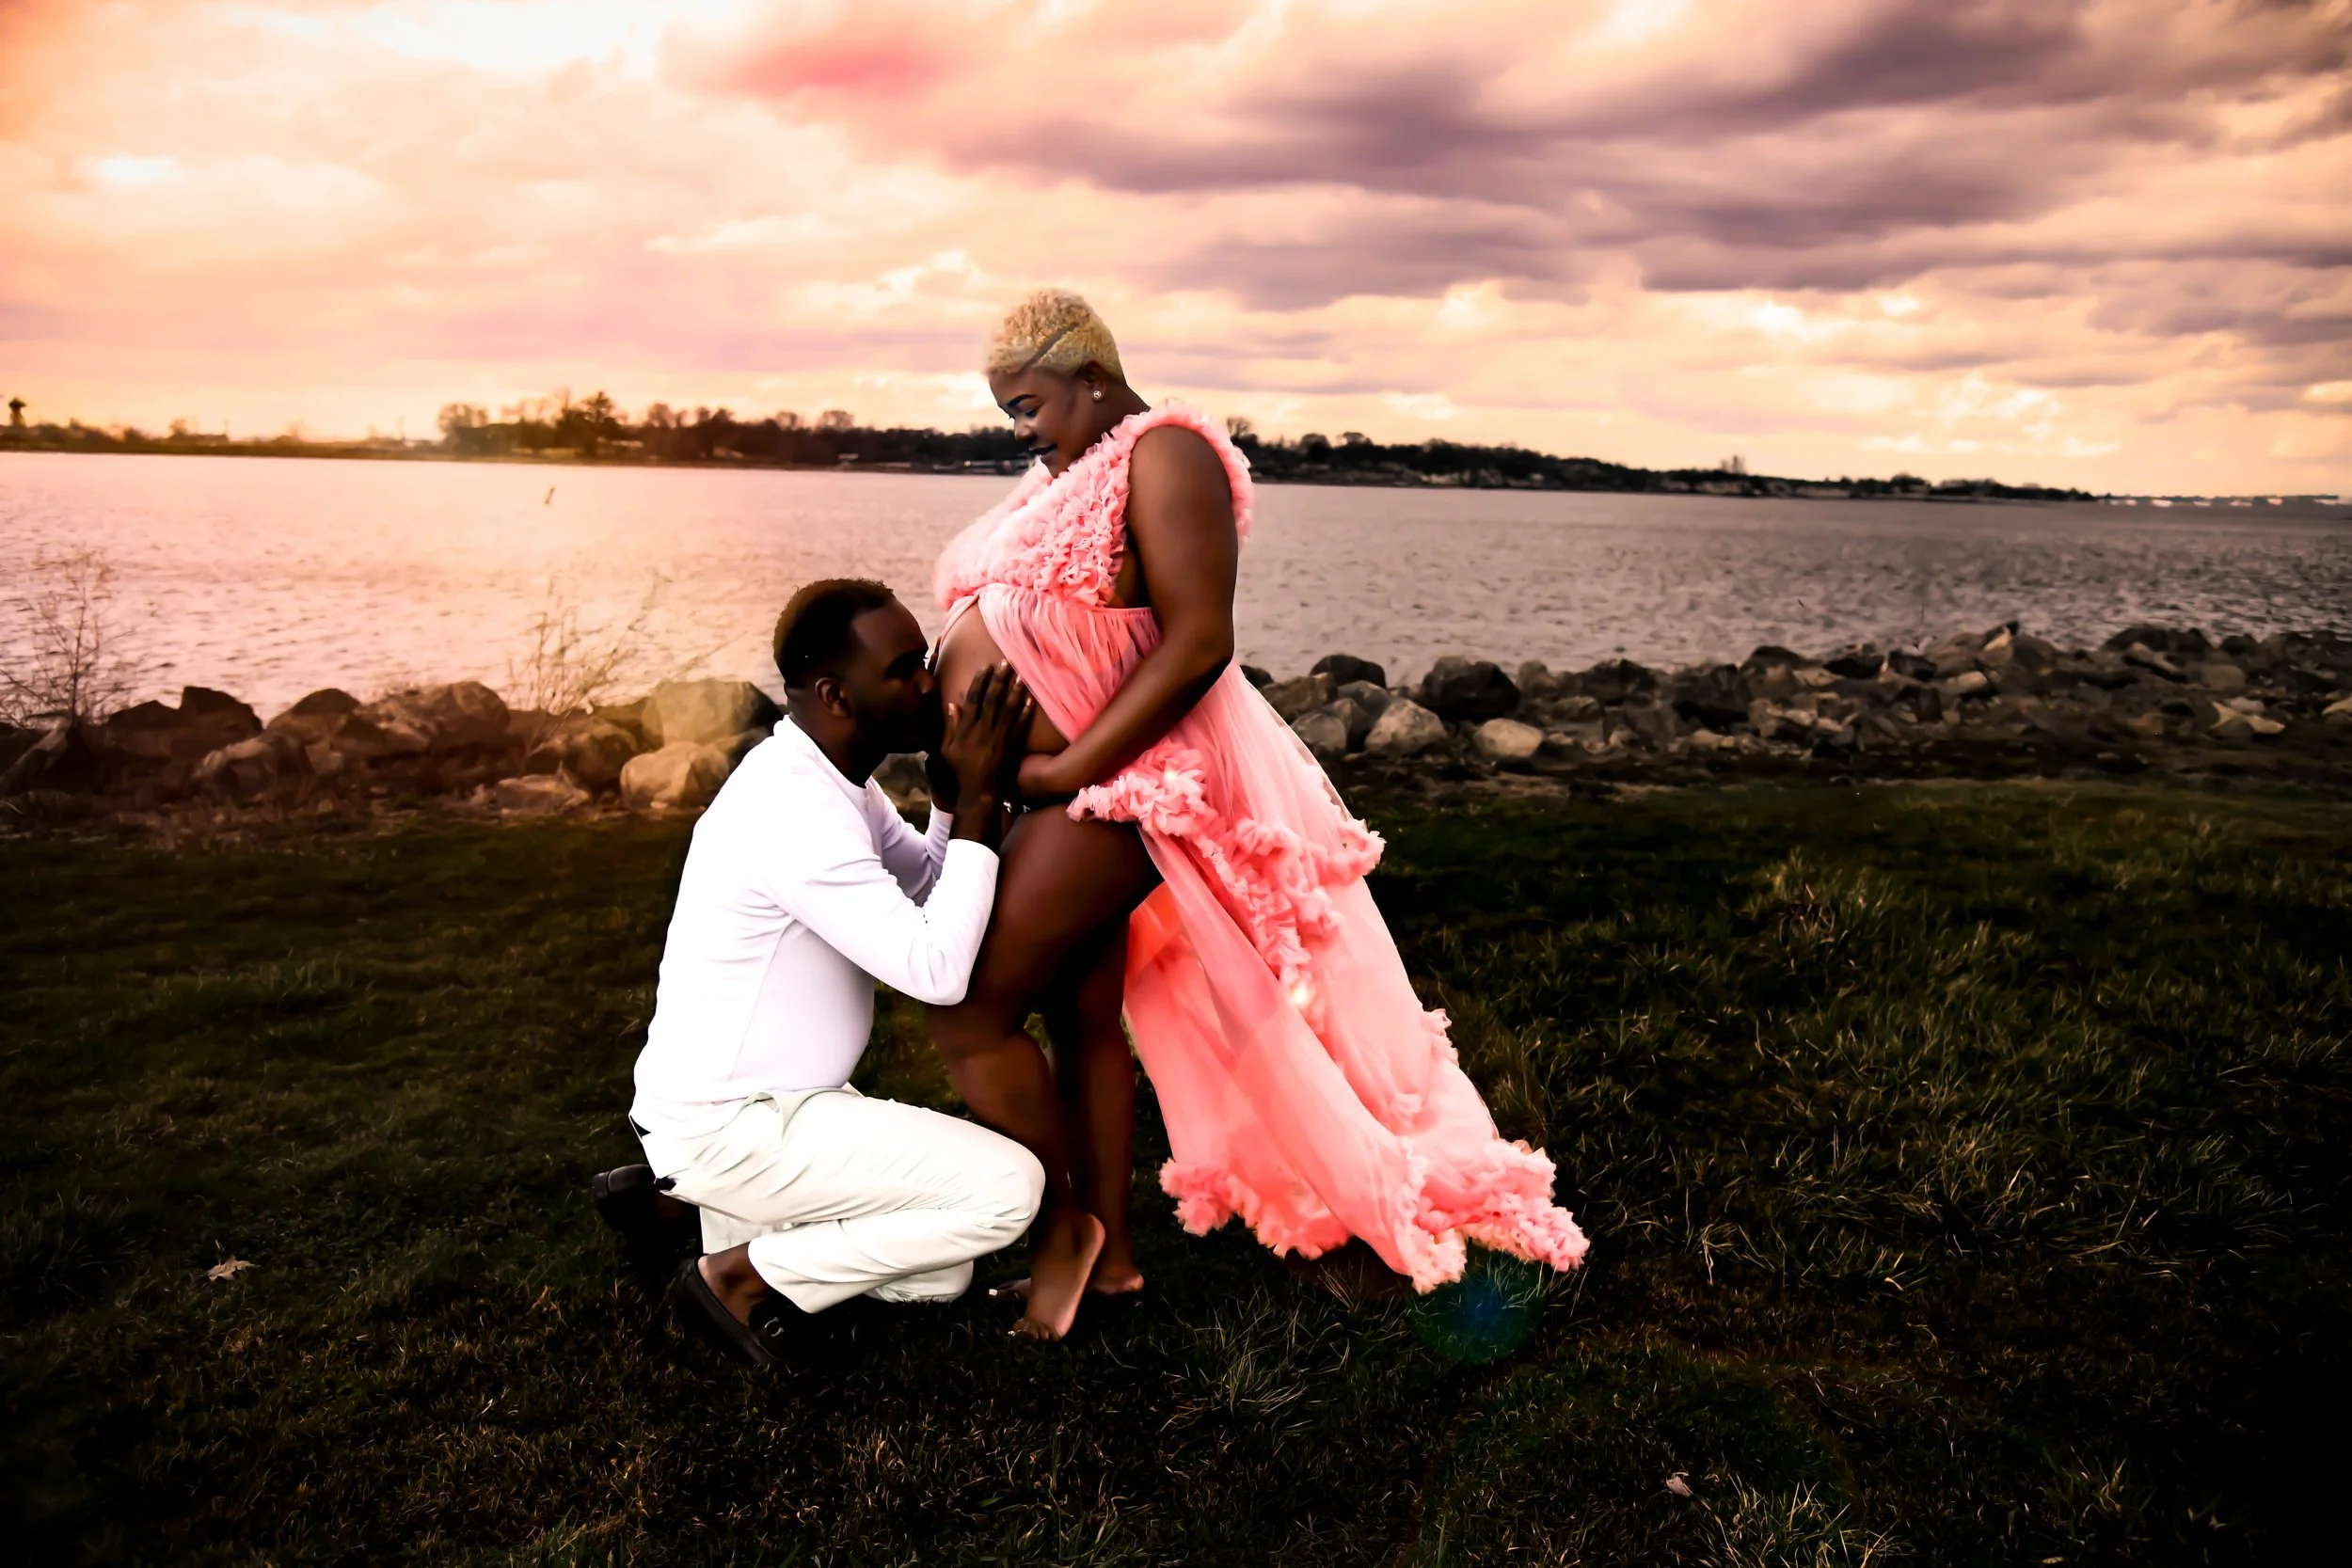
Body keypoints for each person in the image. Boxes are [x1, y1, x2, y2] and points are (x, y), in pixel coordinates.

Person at [928, 290, 1591, 1340]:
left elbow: (1199, 640)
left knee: (975, 1003)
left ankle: (1066, 1234)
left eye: (1028, 406)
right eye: (1008, 411)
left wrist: (1068, 772)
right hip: (1063, 782)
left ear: (1090, 377)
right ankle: (1111, 1260)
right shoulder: (1072, 471)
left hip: (1123, 787)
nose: (1019, 430)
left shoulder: (1168, 453)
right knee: (1080, 1013)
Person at [595, 578, 1041, 1370]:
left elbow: (924, 888)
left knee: (941, 1274)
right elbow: (935, 967)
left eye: (925, 660)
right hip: (738, 1124)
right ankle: (736, 1277)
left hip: (776, 1108)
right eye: (904, 670)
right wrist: (979, 801)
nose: (929, 684)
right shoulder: (793, 809)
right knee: (1008, 1190)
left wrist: (947, 803)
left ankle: (689, 1210)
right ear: (835, 694)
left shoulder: (835, 782)